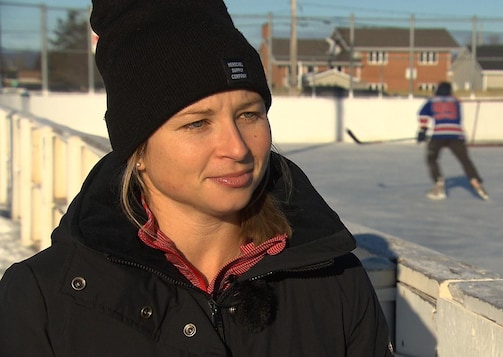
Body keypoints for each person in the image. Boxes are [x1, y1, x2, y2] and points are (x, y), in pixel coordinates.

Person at [0, 1, 393, 355]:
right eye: (198, 123)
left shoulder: (335, 280)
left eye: (249, 114)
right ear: (138, 151)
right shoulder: (42, 300)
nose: (237, 148)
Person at [417, 82, 489, 200]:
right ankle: (475, 181)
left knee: (432, 158)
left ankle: (439, 183)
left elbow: (423, 114)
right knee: (464, 160)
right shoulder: (456, 101)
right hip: (457, 134)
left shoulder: (432, 100)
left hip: (439, 134)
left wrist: (423, 130)